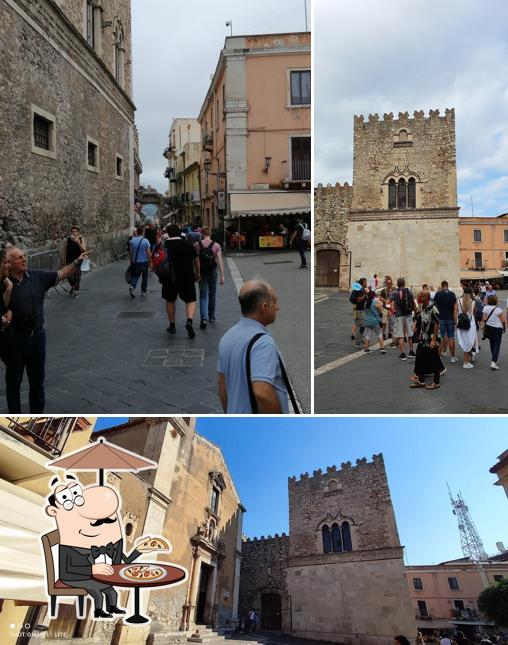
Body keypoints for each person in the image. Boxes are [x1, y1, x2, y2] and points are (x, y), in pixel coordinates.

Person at [5, 245, 88, 412]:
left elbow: (61, 274)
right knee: (13, 384)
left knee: (37, 382)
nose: (24, 259)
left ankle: (36, 413)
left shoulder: (37, 277)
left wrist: (77, 262)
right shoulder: (4, 284)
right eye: (20, 258)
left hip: (37, 337)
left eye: (24, 256)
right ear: (9, 263)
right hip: (14, 340)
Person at [218, 280, 294, 414]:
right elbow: (262, 392)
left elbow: (222, 386)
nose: (277, 307)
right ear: (264, 307)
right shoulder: (263, 343)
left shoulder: (227, 337)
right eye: (274, 302)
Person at [162, 224, 200, 338]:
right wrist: (198, 273)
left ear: (168, 233)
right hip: (187, 276)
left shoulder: (165, 245)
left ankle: (172, 325)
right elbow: (196, 259)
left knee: (170, 300)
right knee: (190, 300)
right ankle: (189, 321)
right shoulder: (188, 245)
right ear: (179, 233)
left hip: (170, 277)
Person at [195, 226, 225, 329]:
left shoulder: (197, 245)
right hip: (213, 272)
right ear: (210, 233)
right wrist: (222, 276)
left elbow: (195, 261)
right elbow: (220, 261)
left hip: (202, 272)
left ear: (202, 234)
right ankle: (211, 316)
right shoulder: (216, 245)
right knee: (212, 295)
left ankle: (204, 318)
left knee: (203, 295)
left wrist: (196, 273)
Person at [411, 290, 442, 389]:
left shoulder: (433, 308)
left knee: (434, 359)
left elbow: (437, 324)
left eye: (422, 296)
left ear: (427, 297)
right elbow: (420, 319)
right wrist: (417, 327)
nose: (419, 297)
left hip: (431, 337)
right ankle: (421, 381)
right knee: (419, 357)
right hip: (423, 338)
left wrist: (433, 340)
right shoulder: (423, 307)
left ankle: (436, 382)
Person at [389, 277, 417, 360]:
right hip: (408, 315)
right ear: (404, 284)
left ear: (397, 284)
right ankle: (411, 352)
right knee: (410, 335)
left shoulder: (394, 293)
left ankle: (403, 354)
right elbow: (413, 304)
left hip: (399, 316)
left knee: (400, 336)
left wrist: (392, 310)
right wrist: (416, 314)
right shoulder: (409, 291)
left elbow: (386, 303)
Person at [433, 280, 458, 363]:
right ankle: (453, 357)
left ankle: (440, 355)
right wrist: (455, 319)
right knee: (451, 337)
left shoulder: (438, 294)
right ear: (447, 285)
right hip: (450, 318)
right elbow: (455, 308)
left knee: (443, 336)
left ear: (441, 286)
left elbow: (434, 306)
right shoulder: (452, 294)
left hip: (441, 318)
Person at [482, 294, 506, 370]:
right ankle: (493, 362)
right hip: (497, 328)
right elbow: (503, 320)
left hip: (489, 328)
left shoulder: (485, 308)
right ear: (495, 301)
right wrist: (504, 328)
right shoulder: (498, 310)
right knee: (497, 345)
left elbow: (484, 318)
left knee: (492, 344)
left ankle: (495, 359)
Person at [128, 225, 152, 298]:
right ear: (143, 232)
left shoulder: (132, 241)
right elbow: (148, 252)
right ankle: (143, 291)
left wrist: (131, 260)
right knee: (145, 276)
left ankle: (132, 286)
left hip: (135, 261)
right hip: (144, 261)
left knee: (136, 275)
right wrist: (150, 260)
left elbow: (131, 252)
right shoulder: (145, 241)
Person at [63, 225, 87, 298]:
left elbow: (84, 250)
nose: (74, 233)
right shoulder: (68, 240)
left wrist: (78, 242)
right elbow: (65, 250)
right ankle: (73, 287)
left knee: (77, 276)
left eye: (75, 231)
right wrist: (63, 260)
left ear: (78, 232)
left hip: (78, 260)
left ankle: (75, 291)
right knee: (69, 276)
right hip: (69, 260)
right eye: (73, 231)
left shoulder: (81, 239)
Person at [456, 287, 477, 368]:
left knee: (464, 342)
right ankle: (465, 362)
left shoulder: (458, 301)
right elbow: (474, 313)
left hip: (461, 323)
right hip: (470, 324)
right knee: (470, 342)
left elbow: (456, 311)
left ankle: (466, 360)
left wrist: (456, 321)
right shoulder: (473, 302)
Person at [351, 278, 368, 346]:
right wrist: (365, 294)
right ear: (363, 282)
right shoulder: (360, 290)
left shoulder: (362, 289)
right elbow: (359, 300)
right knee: (361, 326)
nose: (366, 283)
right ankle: (358, 341)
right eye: (365, 282)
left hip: (360, 310)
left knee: (360, 326)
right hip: (360, 310)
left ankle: (360, 340)